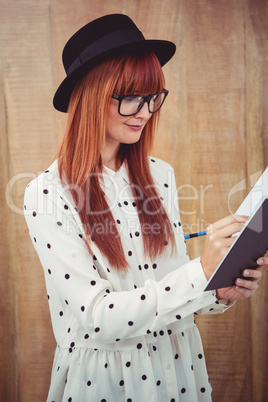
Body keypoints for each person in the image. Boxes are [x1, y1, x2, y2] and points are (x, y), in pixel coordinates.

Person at [23, 14, 267, 402]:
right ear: (90, 96)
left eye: (153, 97)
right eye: (130, 97)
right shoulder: (46, 194)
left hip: (181, 368)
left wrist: (217, 290)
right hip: (107, 381)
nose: (145, 111)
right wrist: (199, 271)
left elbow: (171, 290)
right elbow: (99, 318)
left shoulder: (161, 175)